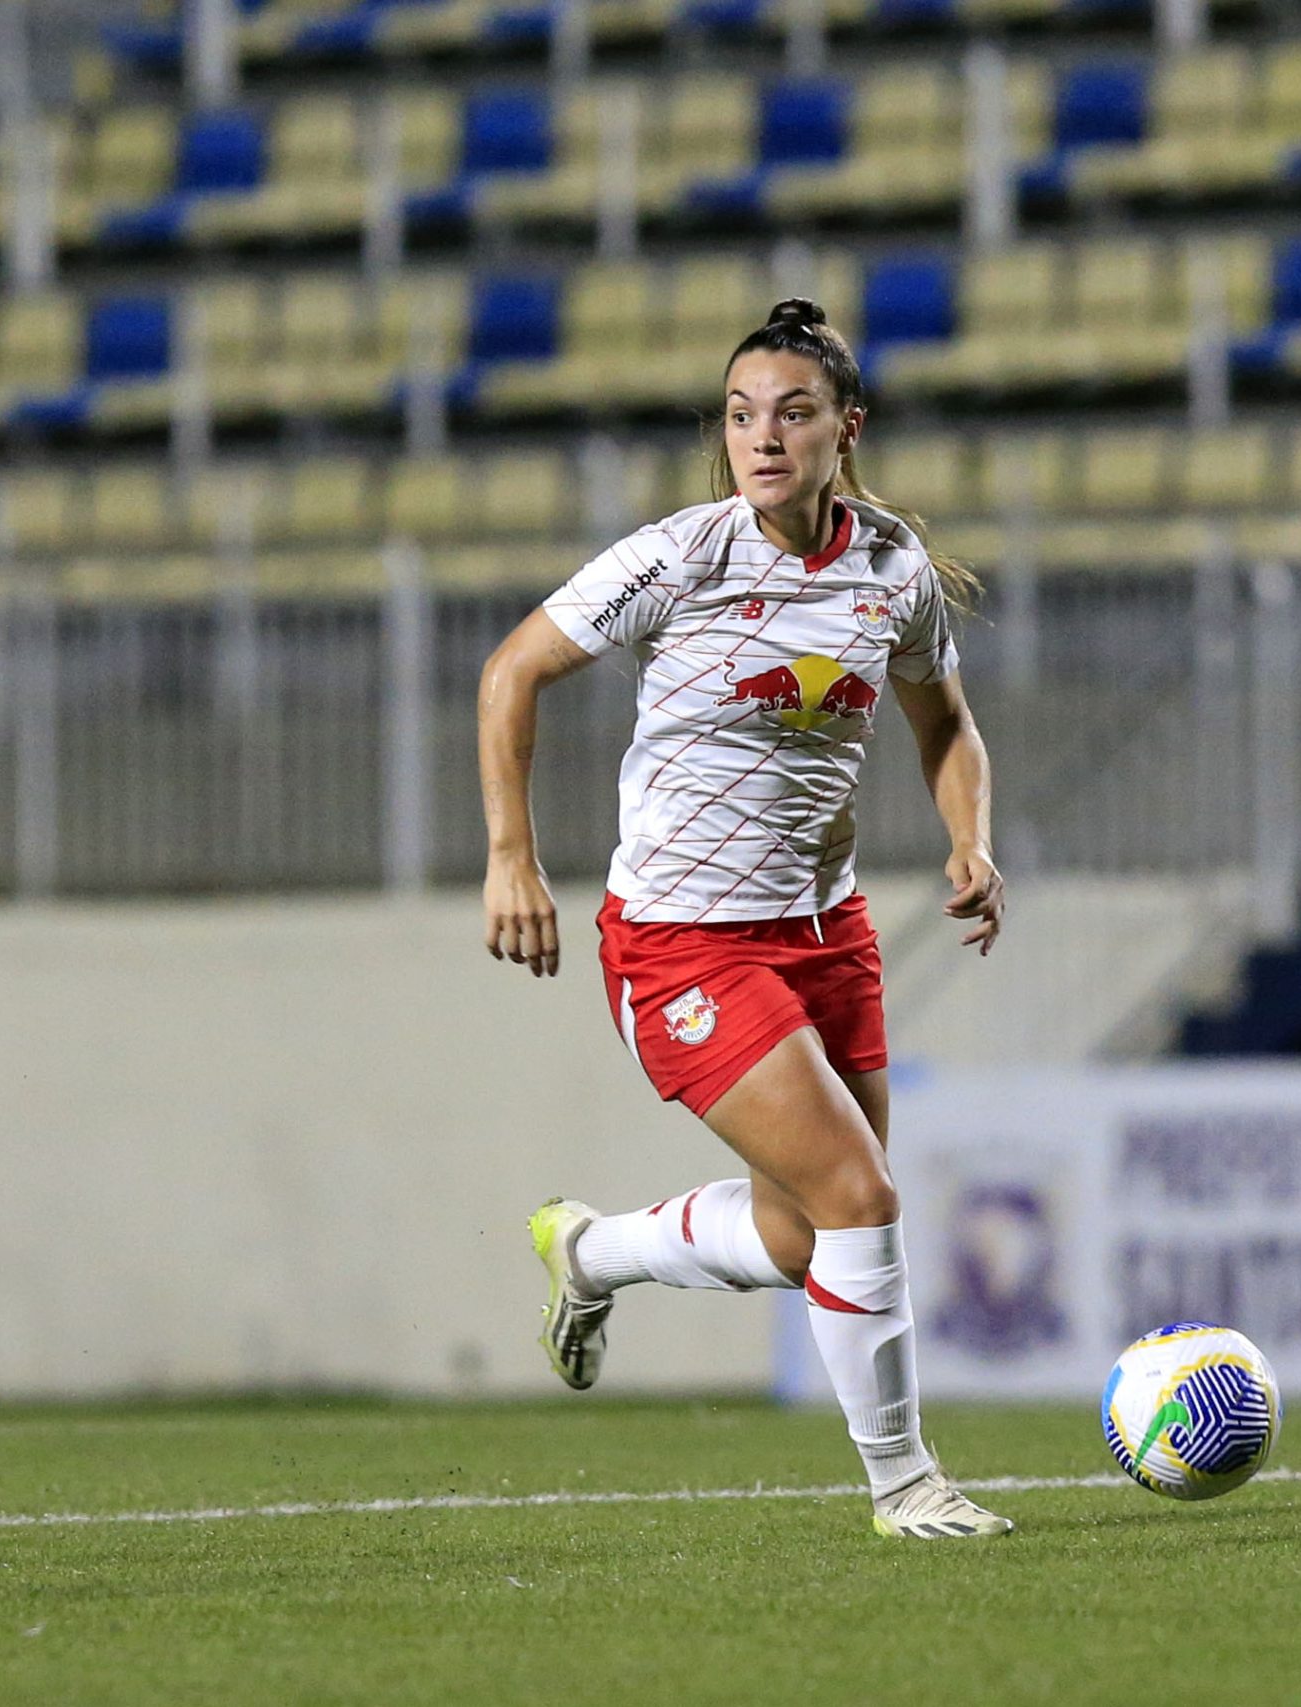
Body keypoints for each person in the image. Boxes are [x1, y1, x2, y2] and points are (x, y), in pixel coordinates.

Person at [474, 297, 1011, 1540]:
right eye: (738, 415)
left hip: (827, 933)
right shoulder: (682, 557)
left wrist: (968, 839)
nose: (760, 437)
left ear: (845, 429)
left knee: (797, 1230)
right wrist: (512, 857)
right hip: (681, 941)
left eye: (791, 412)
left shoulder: (893, 573)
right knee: (862, 1202)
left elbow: (946, 725)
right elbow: (512, 672)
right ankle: (903, 1482)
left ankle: (593, 1253)